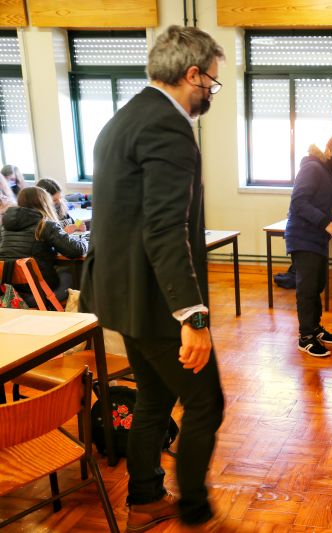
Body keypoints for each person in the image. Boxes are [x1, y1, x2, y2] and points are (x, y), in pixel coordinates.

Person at [79, 25, 225, 532]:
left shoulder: (121, 119)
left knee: (155, 399)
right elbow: (164, 229)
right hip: (156, 301)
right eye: (212, 82)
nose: (211, 92)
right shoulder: (168, 127)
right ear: (193, 74)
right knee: (206, 403)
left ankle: (144, 497)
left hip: (120, 297)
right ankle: (194, 509)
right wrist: (193, 316)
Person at [284, 132, 332, 357]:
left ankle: (315, 328)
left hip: (317, 238)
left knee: (317, 286)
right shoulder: (312, 168)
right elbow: (299, 202)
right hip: (303, 237)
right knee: (307, 289)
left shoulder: (328, 171)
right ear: (328, 149)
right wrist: (326, 222)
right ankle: (305, 337)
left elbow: (319, 199)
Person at [0, 187, 87, 301]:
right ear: (45, 203)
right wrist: (85, 241)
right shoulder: (45, 225)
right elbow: (75, 250)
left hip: (11, 293)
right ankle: (75, 310)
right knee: (69, 273)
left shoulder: (4, 226)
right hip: (40, 293)